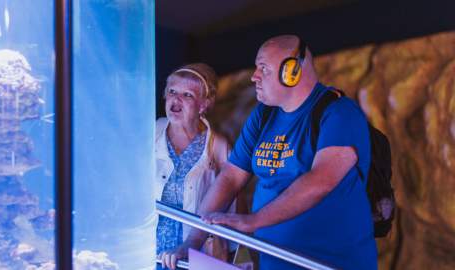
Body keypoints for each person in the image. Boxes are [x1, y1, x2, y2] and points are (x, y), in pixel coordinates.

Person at [166, 35, 378, 270]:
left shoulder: (339, 113)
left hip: (331, 264)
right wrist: (194, 240)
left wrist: (253, 221)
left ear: (292, 72)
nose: (254, 76)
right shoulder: (264, 115)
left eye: (263, 68)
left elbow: (322, 180)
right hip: (273, 263)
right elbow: (231, 176)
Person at [155, 63, 232, 269]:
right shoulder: (149, 133)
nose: (176, 99)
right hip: (148, 253)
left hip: (194, 257)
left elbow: (232, 205)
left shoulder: (219, 146)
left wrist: (229, 252)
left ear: (204, 104)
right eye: (172, 91)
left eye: (187, 95)